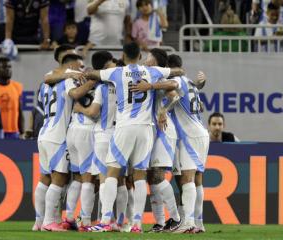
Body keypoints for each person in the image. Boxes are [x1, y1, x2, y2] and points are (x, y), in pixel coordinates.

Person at [85, 42, 184, 233]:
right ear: (140, 56)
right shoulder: (153, 72)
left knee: (112, 172)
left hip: (124, 127)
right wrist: (154, 83)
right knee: (140, 176)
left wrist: (85, 73)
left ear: (123, 55)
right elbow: (178, 72)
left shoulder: (117, 72)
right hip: (146, 129)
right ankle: (137, 224)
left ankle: (105, 221)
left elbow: (95, 74)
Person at [35, 54, 98, 232]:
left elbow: (47, 78)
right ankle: (49, 221)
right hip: (57, 135)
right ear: (71, 66)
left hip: (45, 133)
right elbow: (76, 93)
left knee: (44, 179)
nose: (81, 71)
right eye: (79, 67)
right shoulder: (69, 79)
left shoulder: (48, 81)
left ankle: (39, 221)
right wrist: (93, 79)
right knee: (59, 179)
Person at [71, 51, 127, 231]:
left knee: (103, 179)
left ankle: (101, 220)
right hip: (122, 134)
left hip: (103, 134)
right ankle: (120, 221)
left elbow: (94, 112)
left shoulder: (102, 87)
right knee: (121, 180)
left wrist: (80, 109)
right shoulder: (124, 84)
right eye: (112, 61)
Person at [161, 54, 209, 233]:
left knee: (187, 178)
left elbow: (172, 92)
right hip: (201, 132)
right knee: (197, 180)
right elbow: (201, 106)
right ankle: (199, 223)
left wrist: (164, 109)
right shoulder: (189, 82)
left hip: (190, 135)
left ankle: (188, 223)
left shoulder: (176, 82)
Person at [144, 48, 181, 233]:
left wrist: (164, 111)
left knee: (158, 175)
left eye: (149, 56)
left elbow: (174, 94)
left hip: (164, 131)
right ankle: (159, 222)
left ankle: (176, 218)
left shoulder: (159, 77)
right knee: (151, 178)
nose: (145, 58)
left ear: (155, 60)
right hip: (152, 131)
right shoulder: (149, 76)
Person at [0, 57, 23, 139]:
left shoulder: (17, 86)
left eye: (9, 67)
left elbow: (19, 110)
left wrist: (22, 131)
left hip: (14, 133)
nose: (8, 69)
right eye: (4, 67)